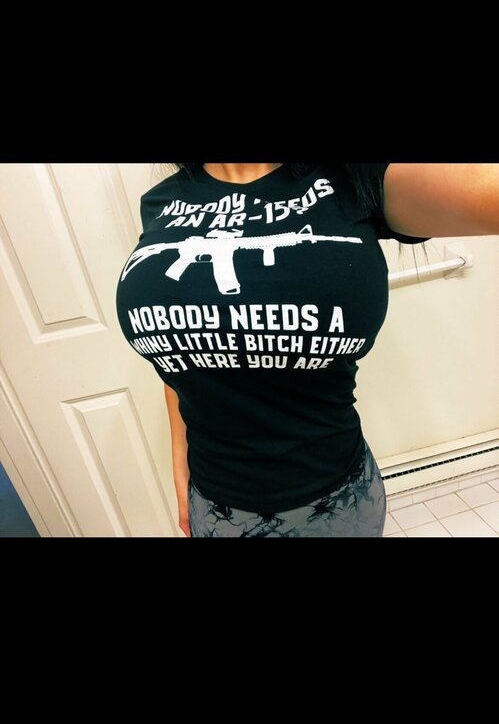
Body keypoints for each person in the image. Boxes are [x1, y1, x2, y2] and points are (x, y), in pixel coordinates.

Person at [116, 161, 499, 538]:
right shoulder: (160, 202)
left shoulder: (354, 180)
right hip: (215, 507)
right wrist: (179, 459)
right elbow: (181, 348)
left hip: (338, 504)